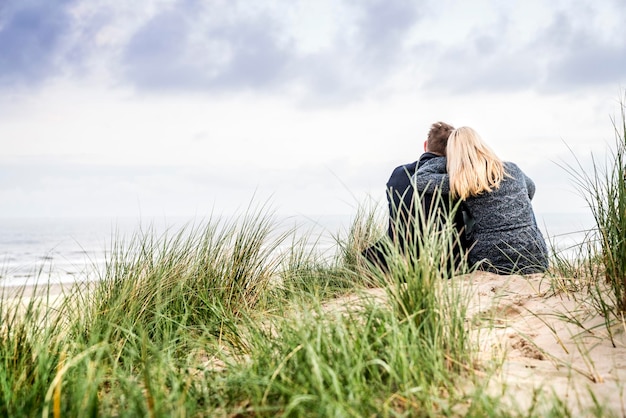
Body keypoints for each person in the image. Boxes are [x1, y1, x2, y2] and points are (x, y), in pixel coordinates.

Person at [413, 126, 549, 274]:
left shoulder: (462, 179)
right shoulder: (511, 169)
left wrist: (446, 160)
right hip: (536, 257)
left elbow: (419, 179)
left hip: (492, 261)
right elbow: (531, 189)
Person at [363, 121, 469, 269]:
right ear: (454, 151)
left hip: (398, 258)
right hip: (445, 262)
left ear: (426, 145)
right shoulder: (456, 176)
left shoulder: (398, 173)